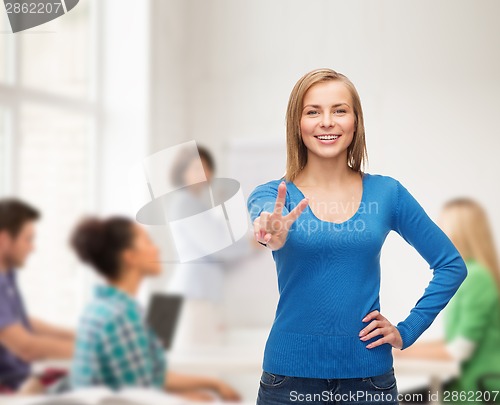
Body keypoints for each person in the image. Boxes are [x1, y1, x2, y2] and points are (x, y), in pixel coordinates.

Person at [246, 68, 468, 405]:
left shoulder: (387, 193)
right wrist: (271, 233)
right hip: (287, 383)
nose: (327, 121)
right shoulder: (273, 195)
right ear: (297, 124)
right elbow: (267, 228)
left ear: (355, 121)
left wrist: (407, 331)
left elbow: (451, 265)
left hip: (369, 382)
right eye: (312, 111)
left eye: (339, 110)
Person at [69, 215, 241, 402]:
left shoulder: (103, 307)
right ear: (130, 257)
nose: (157, 248)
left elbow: (151, 377)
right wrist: (188, 399)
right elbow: (139, 396)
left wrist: (211, 384)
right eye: (147, 241)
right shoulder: (122, 316)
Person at [396, 198, 500, 404]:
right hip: (465, 385)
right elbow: (453, 340)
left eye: (442, 226)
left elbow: (458, 350)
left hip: (478, 389)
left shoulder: (476, 277)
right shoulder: (473, 274)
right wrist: (399, 347)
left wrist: (396, 351)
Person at [165, 144, 253, 348]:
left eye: (206, 168)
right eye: (196, 168)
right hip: (191, 297)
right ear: (182, 172)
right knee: (196, 367)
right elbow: (217, 246)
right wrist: (251, 244)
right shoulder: (185, 203)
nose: (203, 174)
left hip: (192, 294)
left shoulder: (192, 203)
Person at [0, 198, 74, 393]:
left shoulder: (7, 277)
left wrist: (79, 335)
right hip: (10, 389)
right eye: (28, 239)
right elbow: (26, 347)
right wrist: (92, 350)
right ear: (5, 239)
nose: (32, 248)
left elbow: (21, 323)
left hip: (22, 380)